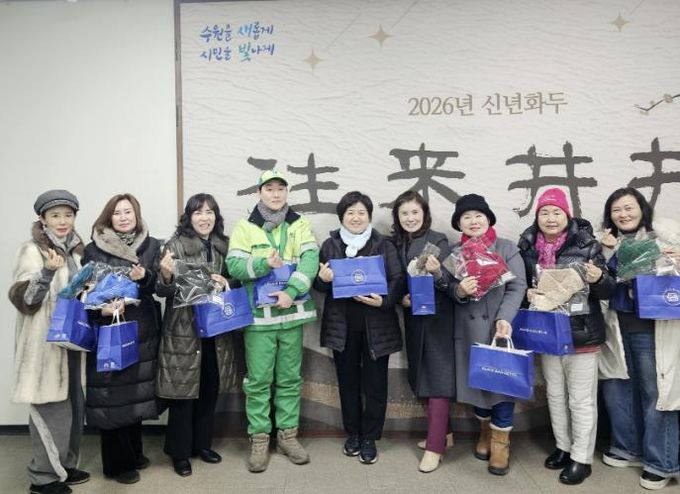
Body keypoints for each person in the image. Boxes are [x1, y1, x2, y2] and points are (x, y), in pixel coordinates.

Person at [517, 187, 615, 485]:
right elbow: (520, 285)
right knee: (555, 395)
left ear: (567, 215)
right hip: (547, 334)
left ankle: (581, 458)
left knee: (581, 400)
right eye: (544, 212)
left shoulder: (587, 245)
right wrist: (527, 293)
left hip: (581, 334)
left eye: (556, 212)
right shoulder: (527, 246)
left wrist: (599, 278)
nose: (550, 218)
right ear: (537, 216)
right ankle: (563, 447)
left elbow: (608, 290)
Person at [227, 170, 319, 473]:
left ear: (287, 192)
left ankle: (288, 437)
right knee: (258, 382)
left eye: (281, 189)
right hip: (258, 321)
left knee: (290, 380)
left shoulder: (299, 224)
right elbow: (234, 265)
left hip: (291, 315)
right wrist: (263, 263)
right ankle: (259, 439)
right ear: (259, 193)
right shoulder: (245, 227)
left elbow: (310, 259)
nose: (276, 194)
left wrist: (291, 292)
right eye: (269, 189)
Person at [598, 187, 680, 490]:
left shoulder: (666, 239)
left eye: (629, 208)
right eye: (616, 210)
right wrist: (605, 252)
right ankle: (627, 447)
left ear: (642, 209)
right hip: (617, 326)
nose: (623, 214)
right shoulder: (606, 243)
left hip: (652, 328)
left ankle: (662, 462)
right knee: (618, 388)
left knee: (655, 392)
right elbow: (599, 284)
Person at [314, 191, 404, 465]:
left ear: (369, 216)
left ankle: (370, 437)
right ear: (342, 217)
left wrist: (384, 301)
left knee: (376, 385)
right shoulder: (330, 245)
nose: (356, 217)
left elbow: (398, 278)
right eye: (350, 212)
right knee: (348, 382)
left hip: (377, 327)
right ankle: (353, 434)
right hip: (342, 328)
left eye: (361, 212)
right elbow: (319, 285)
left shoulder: (383, 244)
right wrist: (323, 279)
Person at [156, 193, 243, 477]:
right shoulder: (174, 245)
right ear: (189, 217)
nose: (205, 218)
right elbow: (162, 290)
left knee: (209, 387)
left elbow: (238, 281)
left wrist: (226, 281)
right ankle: (180, 453)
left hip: (216, 329)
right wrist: (167, 275)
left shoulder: (225, 245)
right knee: (183, 392)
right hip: (184, 329)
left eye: (209, 212)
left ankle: (202, 444)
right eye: (198, 212)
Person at [8, 190, 90, 494]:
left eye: (68, 215)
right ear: (42, 219)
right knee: (50, 410)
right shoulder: (31, 251)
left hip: (71, 344)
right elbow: (25, 300)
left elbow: (80, 295)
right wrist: (46, 272)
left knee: (73, 409)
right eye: (55, 215)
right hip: (43, 347)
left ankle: (64, 466)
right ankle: (42, 478)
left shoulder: (77, 253)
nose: (63, 221)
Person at [82, 193, 161, 484]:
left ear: (136, 215)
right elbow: (84, 290)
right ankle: (117, 465)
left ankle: (134, 452)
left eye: (128, 212)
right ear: (108, 218)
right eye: (117, 213)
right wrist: (102, 305)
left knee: (135, 392)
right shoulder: (93, 250)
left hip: (141, 328)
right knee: (111, 395)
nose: (123, 217)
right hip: (109, 326)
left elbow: (157, 287)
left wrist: (145, 277)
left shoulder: (152, 245)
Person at [447, 193, 526, 476]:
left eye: (478, 215)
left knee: (502, 383)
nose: (473, 221)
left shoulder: (506, 248)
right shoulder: (454, 254)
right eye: (466, 217)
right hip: (467, 330)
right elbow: (445, 289)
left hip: (499, 328)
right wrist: (459, 290)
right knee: (478, 384)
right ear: (459, 224)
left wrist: (504, 318)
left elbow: (517, 286)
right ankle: (484, 432)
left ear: (488, 219)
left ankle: (501, 443)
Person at [389, 190, 455, 473]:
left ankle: (435, 447)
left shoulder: (438, 240)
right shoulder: (395, 243)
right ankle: (445, 434)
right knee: (421, 375)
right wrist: (401, 299)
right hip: (414, 319)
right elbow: (395, 280)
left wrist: (437, 273)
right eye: (404, 213)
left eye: (415, 212)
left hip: (438, 318)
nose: (410, 218)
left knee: (437, 377)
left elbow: (450, 281)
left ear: (424, 214)